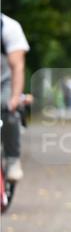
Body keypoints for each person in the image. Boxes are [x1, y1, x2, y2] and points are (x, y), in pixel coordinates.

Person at [1, 13, 29, 183]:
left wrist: (15, 98)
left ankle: (12, 160)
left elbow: (17, 66)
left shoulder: (9, 27)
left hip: (4, 82)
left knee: (8, 111)